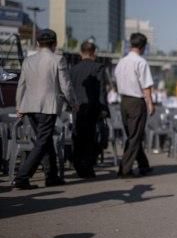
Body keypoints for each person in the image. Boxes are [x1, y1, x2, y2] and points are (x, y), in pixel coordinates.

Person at [13, 29, 77, 190]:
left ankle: (52, 176)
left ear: (37, 43)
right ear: (54, 43)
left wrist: (19, 106)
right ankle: (22, 176)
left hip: (29, 106)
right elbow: (66, 85)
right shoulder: (58, 59)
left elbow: (21, 84)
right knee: (42, 141)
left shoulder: (28, 60)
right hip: (48, 106)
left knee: (45, 140)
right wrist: (73, 102)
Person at [113, 32, 155, 178]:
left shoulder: (121, 61)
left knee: (133, 135)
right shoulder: (141, 62)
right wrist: (150, 104)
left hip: (124, 101)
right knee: (135, 137)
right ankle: (124, 170)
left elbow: (115, 80)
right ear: (143, 47)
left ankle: (144, 165)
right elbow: (146, 86)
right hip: (137, 102)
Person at [70, 38, 109, 179]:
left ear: (81, 52)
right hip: (93, 108)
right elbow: (101, 91)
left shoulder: (73, 69)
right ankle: (88, 167)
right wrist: (104, 109)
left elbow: (69, 89)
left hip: (77, 108)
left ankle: (78, 165)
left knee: (78, 136)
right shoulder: (98, 67)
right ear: (94, 52)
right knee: (92, 138)